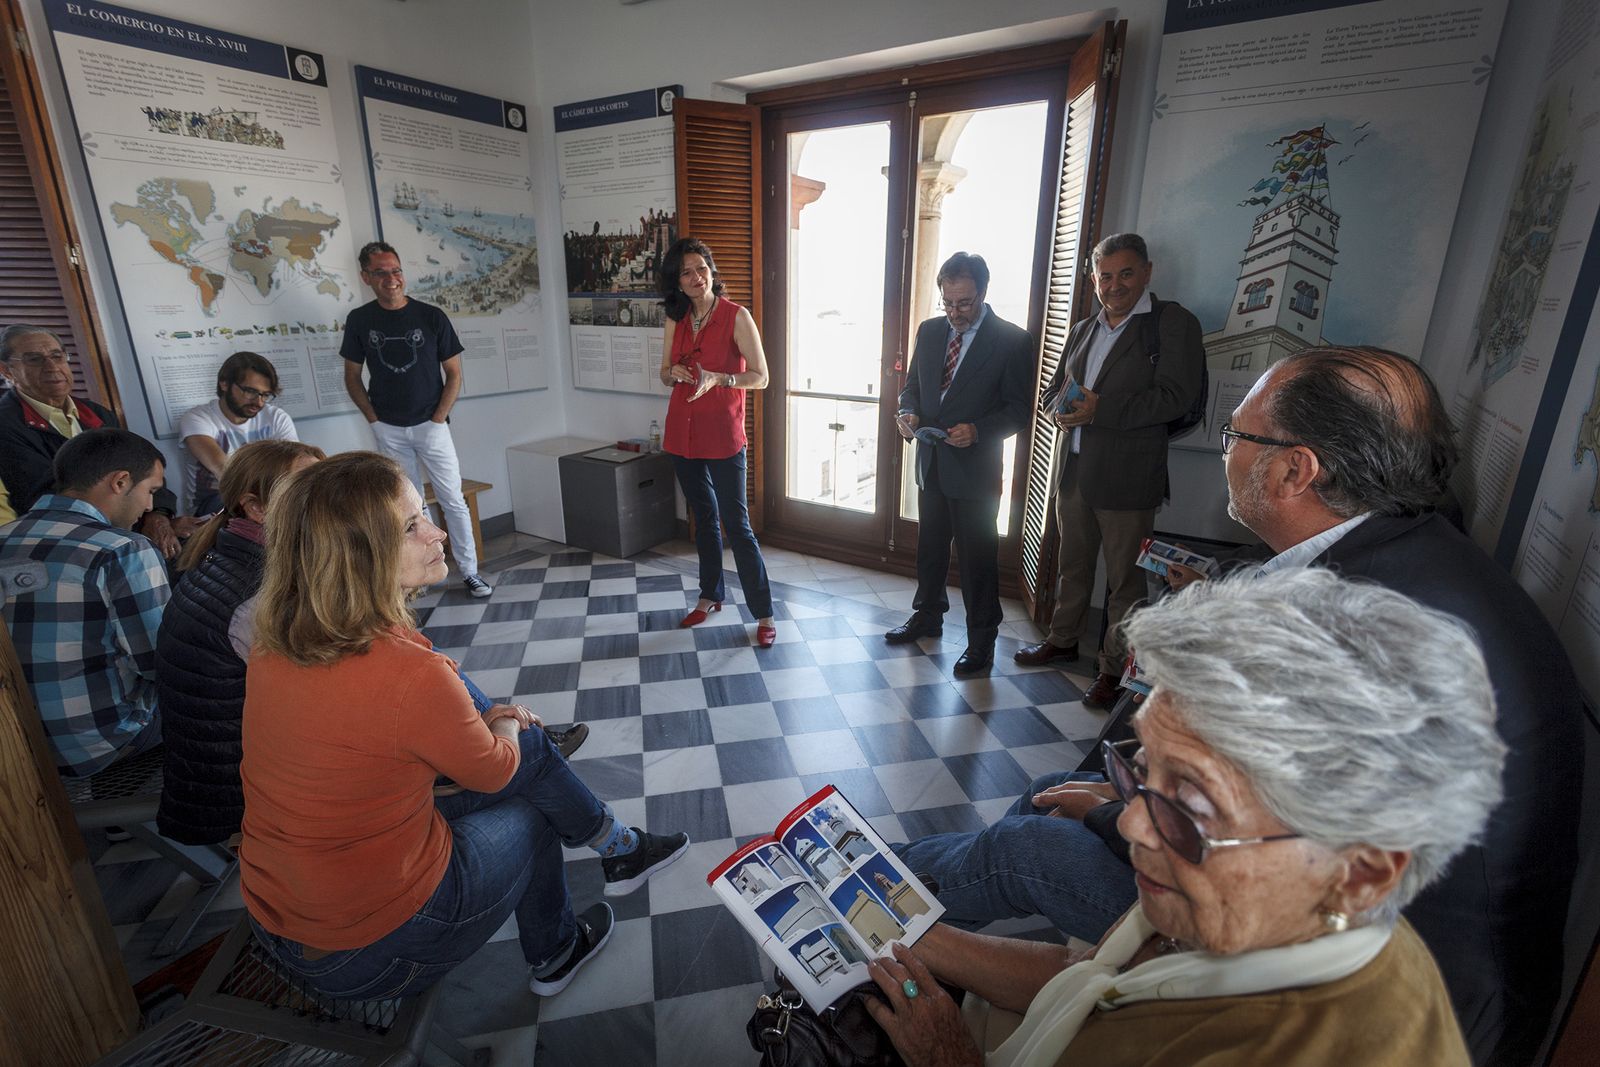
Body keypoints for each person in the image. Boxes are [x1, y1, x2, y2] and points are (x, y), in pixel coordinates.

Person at [896, 345, 1583, 1066]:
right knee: (1049, 794)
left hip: (1389, 992)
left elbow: (1276, 850)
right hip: (1348, 919)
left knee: (1027, 841)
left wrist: (1109, 810)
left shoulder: (1354, 623)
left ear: (1294, 470)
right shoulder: (1404, 549)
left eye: (1235, 437)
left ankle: (883, 907)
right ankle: (906, 901)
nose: (1228, 451)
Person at [864, 568, 1502, 1067]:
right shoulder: (1238, 901)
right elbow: (1086, 977)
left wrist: (948, 1058)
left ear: (1361, 871)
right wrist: (911, 936)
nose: (1135, 824)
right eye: (1141, 767)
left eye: (1192, 804)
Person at [239, 451, 689, 1000]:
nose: (439, 534)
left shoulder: (276, 644)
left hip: (279, 915)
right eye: (411, 526)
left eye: (424, 513)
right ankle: (563, 940)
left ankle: (620, 850)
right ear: (358, 556)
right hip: (372, 950)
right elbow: (496, 772)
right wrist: (501, 719)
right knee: (531, 784)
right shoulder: (409, 675)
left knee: (532, 759)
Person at [1012, 235, 1203, 708]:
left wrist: (1100, 410)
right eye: (1105, 276)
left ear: (1147, 272)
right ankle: (1062, 639)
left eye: (1125, 274)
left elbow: (1175, 397)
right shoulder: (1082, 329)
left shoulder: (1172, 323)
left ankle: (1114, 670)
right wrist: (1059, 409)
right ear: (1093, 279)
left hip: (1129, 477)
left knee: (1125, 582)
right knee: (1072, 567)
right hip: (1073, 470)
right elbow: (1054, 389)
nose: (1114, 285)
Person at [155, 439, 325, 845]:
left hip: (217, 770)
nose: (329, 498)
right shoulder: (259, 595)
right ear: (256, 507)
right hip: (235, 792)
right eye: (309, 488)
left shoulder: (227, 555)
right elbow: (335, 696)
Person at [888, 252, 1033, 673]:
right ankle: (928, 616)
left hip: (975, 472)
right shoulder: (930, 331)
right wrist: (909, 413)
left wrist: (979, 431)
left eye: (964, 303)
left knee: (977, 562)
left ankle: (981, 641)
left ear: (983, 293)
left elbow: (1018, 410)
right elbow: (912, 387)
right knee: (930, 551)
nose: (954, 313)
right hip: (931, 462)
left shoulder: (1012, 340)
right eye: (947, 303)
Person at [0, 427, 169, 775]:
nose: (150, 506)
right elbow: (160, 664)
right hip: (99, 744)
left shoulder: (4, 538)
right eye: (150, 491)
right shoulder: (122, 549)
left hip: (16, 747)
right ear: (120, 482)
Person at [341, 242, 492, 598]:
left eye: (395, 270)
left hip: (432, 425)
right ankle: (418, 578)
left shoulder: (431, 316)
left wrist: (439, 418)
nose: (391, 279)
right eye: (380, 272)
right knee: (407, 509)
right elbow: (352, 376)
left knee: (452, 499)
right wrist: (374, 420)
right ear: (366, 277)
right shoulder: (360, 320)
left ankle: (470, 571)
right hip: (388, 428)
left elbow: (453, 373)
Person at [656, 237, 777, 647]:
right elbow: (662, 372)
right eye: (686, 272)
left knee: (737, 525)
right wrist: (675, 372)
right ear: (677, 281)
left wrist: (720, 378)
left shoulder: (736, 316)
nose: (695, 277)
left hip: (724, 434)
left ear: (712, 270)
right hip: (681, 433)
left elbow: (760, 376)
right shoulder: (675, 317)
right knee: (703, 519)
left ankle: (763, 612)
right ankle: (710, 595)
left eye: (701, 267)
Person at [0, 324, 193, 559]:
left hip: (123, 527)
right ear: (7, 371)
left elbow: (142, 465)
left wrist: (159, 515)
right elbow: (48, 493)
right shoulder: (6, 423)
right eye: (34, 359)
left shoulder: (97, 414)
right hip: (61, 543)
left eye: (57, 356)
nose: (52, 367)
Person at [177, 351, 299, 517]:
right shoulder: (197, 419)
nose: (258, 402)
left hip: (266, 497)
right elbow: (225, 471)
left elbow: (292, 467)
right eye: (250, 391)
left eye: (265, 395)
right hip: (215, 504)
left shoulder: (276, 417)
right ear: (224, 384)